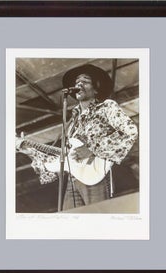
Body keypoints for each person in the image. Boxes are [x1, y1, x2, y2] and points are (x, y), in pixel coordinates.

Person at [16, 64, 138, 211]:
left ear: (96, 89)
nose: (79, 84)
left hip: (95, 178)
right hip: (73, 179)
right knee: (70, 224)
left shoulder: (106, 107)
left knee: (98, 224)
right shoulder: (72, 122)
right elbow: (66, 156)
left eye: (85, 81)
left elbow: (130, 131)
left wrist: (92, 149)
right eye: (77, 82)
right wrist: (31, 150)